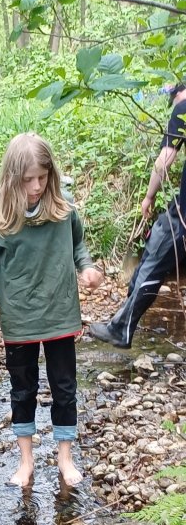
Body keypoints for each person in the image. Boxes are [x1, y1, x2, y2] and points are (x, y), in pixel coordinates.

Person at [0, 133, 102, 488]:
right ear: (12, 178)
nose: (36, 186)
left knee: (64, 387)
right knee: (22, 389)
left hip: (60, 313)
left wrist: (87, 269)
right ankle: (26, 461)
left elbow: (78, 247)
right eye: (28, 180)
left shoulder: (63, 208)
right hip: (19, 319)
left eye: (42, 177)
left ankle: (65, 458)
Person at [90, 82, 186, 348]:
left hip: (185, 215)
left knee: (154, 262)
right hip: (181, 207)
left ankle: (122, 328)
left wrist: (149, 196)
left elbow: (164, 161)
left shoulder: (183, 109)